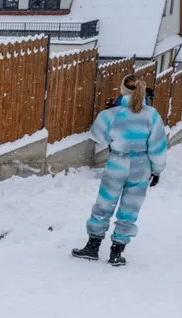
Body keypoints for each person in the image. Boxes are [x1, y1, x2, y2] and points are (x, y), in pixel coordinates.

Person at [71, 73, 168, 267]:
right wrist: (157, 170)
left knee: (104, 203)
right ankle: (117, 252)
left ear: (122, 90)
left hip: (117, 162)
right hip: (141, 165)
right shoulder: (152, 115)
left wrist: (116, 136)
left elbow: (98, 135)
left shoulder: (110, 115)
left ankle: (92, 246)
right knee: (130, 207)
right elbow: (158, 146)